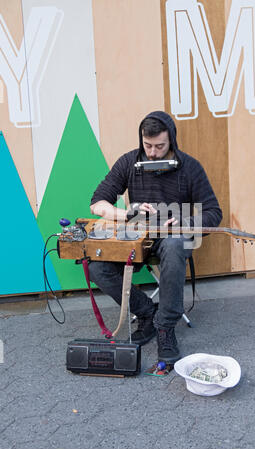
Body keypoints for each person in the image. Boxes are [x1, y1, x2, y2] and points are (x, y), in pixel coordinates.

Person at [89, 111, 222, 365]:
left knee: (174, 246)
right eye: (147, 145)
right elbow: (97, 202)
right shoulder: (129, 162)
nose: (152, 152)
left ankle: (165, 327)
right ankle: (147, 313)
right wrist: (127, 213)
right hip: (135, 237)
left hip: (173, 236)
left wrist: (186, 223)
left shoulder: (190, 167)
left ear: (171, 139)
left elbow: (214, 212)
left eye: (159, 146)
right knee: (97, 267)